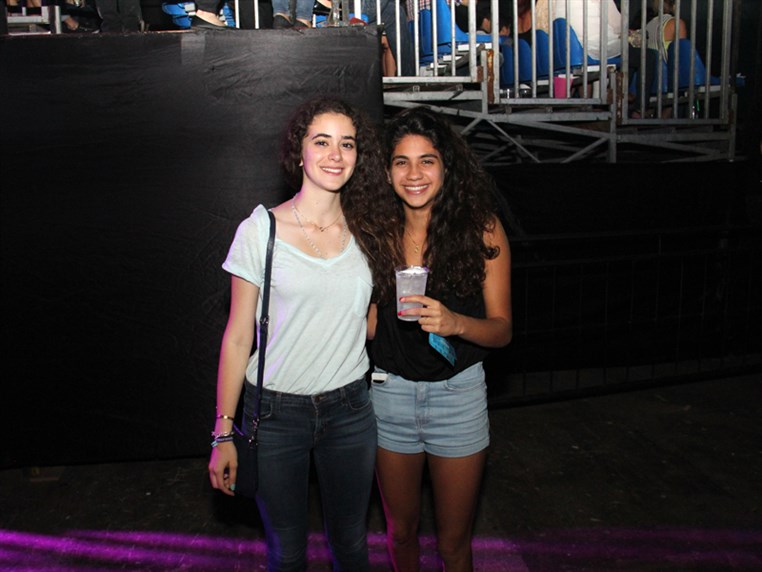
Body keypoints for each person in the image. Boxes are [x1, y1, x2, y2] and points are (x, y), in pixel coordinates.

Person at [207, 97, 387, 571]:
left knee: (352, 545)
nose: (335, 155)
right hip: (275, 413)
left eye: (347, 144)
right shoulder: (260, 230)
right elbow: (237, 338)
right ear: (299, 151)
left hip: (350, 410)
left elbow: (367, 322)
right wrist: (223, 433)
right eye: (321, 141)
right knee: (286, 551)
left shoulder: (369, 229)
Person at [356, 106, 513, 571]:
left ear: (446, 166)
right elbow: (369, 325)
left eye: (427, 160)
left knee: (453, 545)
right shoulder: (374, 234)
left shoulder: (481, 229)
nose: (414, 174)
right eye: (401, 162)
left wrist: (456, 323)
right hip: (389, 395)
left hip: (458, 397)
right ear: (386, 171)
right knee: (401, 533)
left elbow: (502, 330)